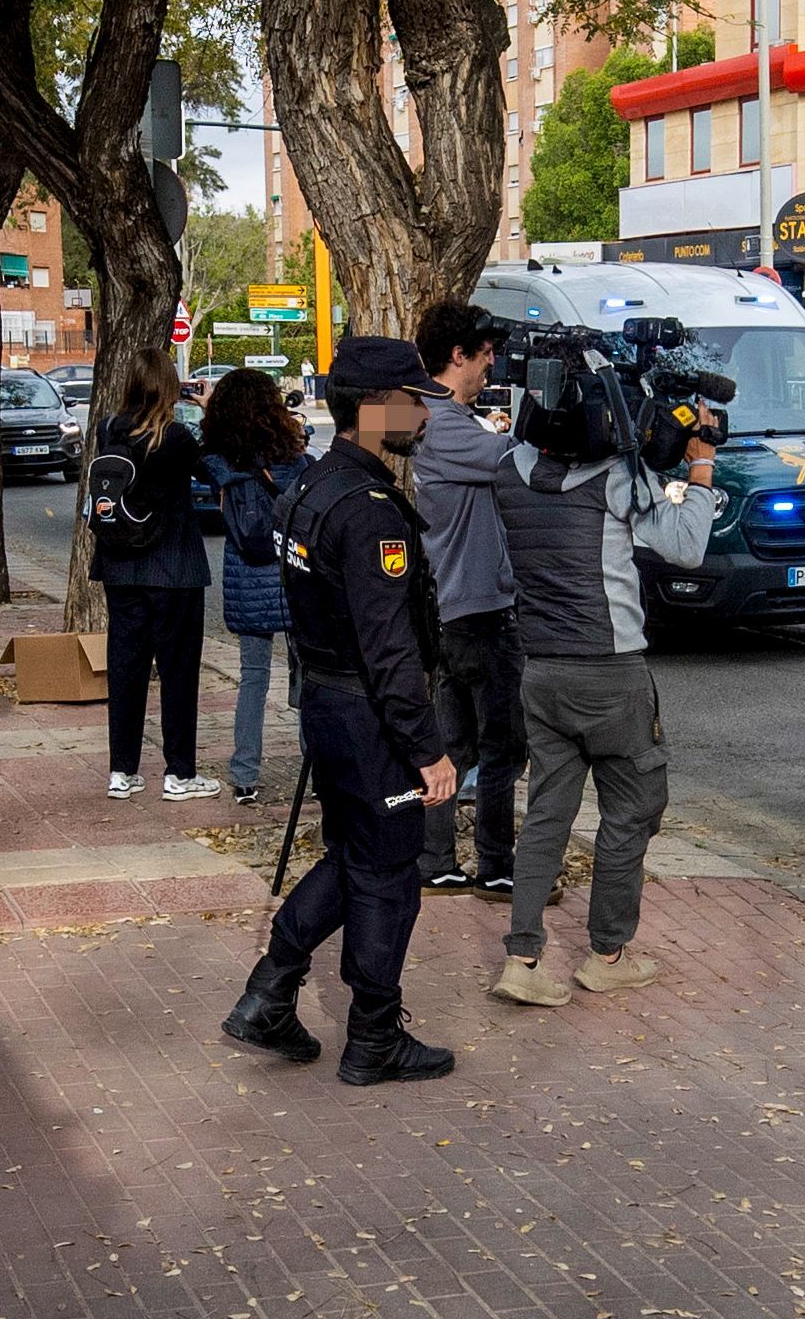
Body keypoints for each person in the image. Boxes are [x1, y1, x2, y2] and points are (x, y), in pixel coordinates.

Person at [221, 337, 459, 1085]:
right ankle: (373, 1036)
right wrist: (428, 749)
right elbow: (389, 648)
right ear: (375, 407)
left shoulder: (312, 487)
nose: (424, 413)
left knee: (354, 854)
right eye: (414, 400)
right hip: (367, 716)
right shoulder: (368, 511)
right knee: (387, 870)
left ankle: (269, 991)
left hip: (326, 704)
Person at [485, 395, 720, 1006]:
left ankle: (522, 959)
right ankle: (607, 955)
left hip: (541, 669)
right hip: (611, 673)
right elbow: (687, 546)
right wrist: (699, 465)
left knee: (546, 815)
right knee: (631, 813)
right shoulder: (619, 477)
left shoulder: (507, 470)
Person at [409, 301, 532, 901]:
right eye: (485, 356)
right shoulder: (448, 427)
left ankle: (436, 861)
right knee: (502, 746)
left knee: (452, 745)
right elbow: (521, 463)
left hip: (448, 608)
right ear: (458, 356)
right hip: (479, 610)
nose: (491, 367)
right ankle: (497, 865)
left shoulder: (419, 415)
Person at [92, 350, 221, 802]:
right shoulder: (176, 437)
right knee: (178, 672)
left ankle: (121, 771)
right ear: (169, 386)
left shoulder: (108, 428)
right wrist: (209, 410)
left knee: (126, 669)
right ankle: (179, 773)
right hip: (174, 566)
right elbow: (212, 468)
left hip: (121, 565)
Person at [199, 369, 312, 805]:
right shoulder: (293, 457)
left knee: (253, 678)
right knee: (308, 674)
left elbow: (204, 455)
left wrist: (207, 408)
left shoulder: (221, 462)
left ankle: (245, 775)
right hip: (293, 572)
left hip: (247, 575)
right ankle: (316, 770)